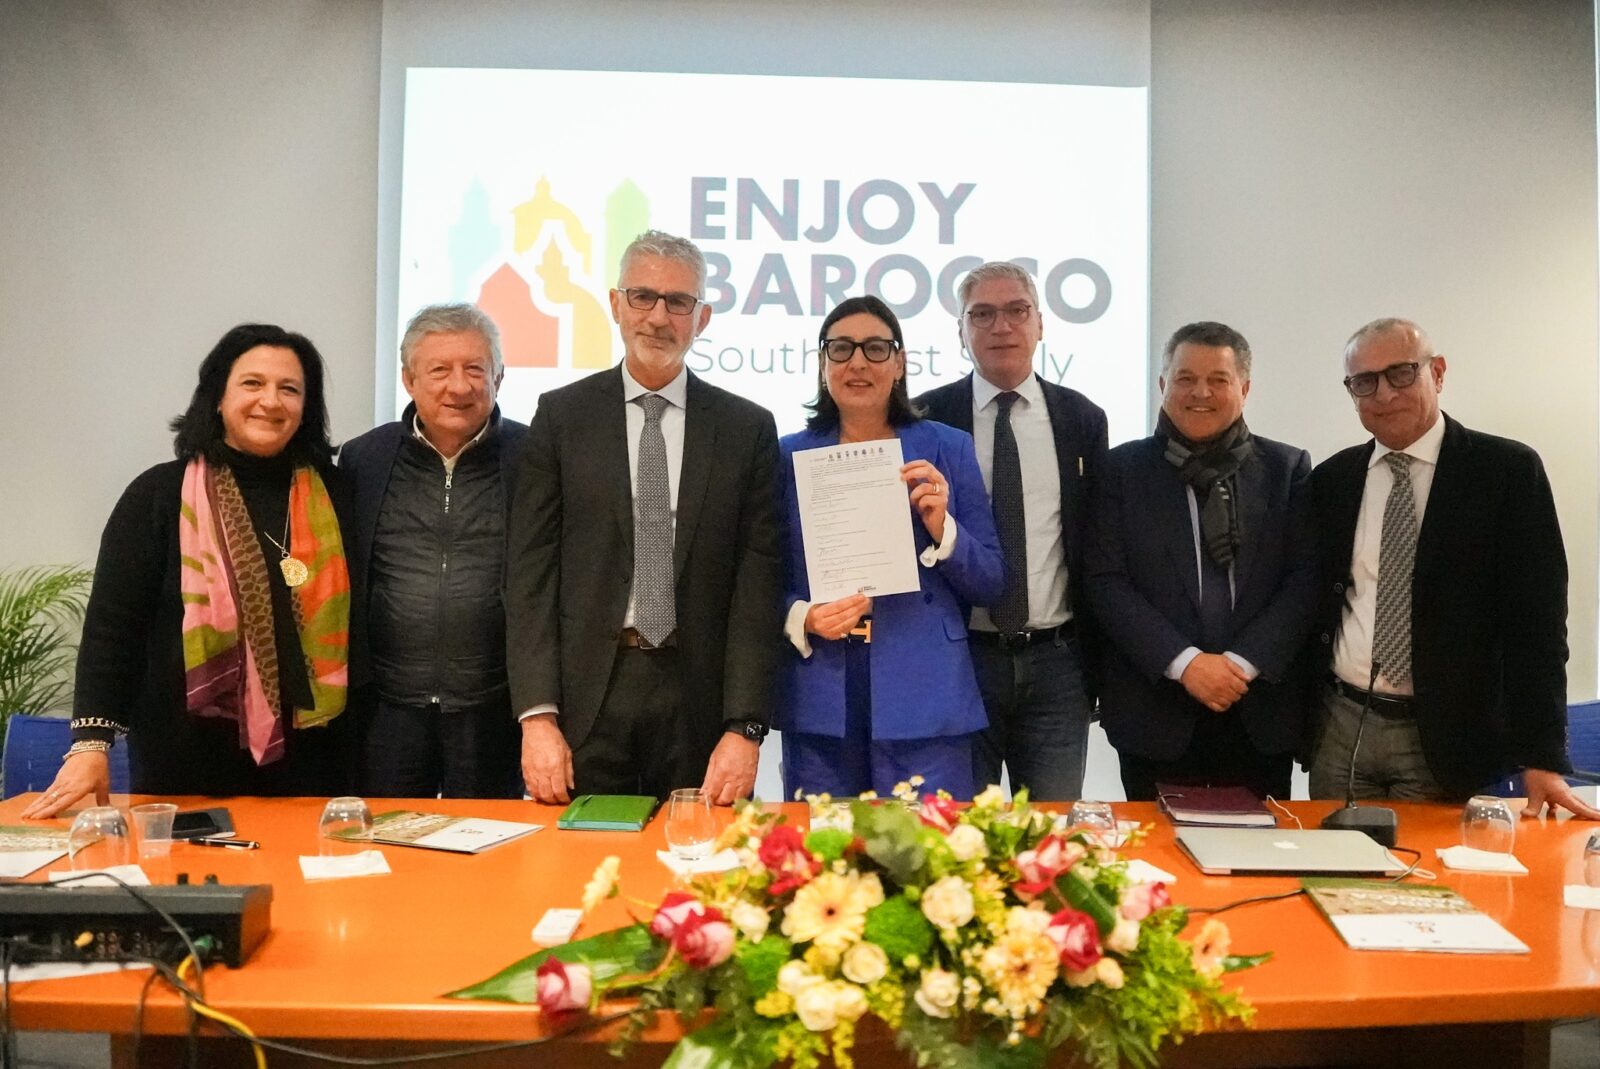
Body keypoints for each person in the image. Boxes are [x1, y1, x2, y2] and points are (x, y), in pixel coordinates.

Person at [23, 325, 355, 819]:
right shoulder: (157, 496)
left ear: (306, 407)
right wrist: (90, 744)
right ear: (217, 397)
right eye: (252, 383)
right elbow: (113, 629)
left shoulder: (339, 494)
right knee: (188, 872)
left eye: (289, 389)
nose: (271, 401)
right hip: (185, 762)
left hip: (317, 762)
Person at [506, 230, 782, 805]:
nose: (658, 316)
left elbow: (756, 589)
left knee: (699, 857)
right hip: (586, 700)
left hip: (700, 702)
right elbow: (530, 576)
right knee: (580, 857)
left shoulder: (746, 429)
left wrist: (746, 726)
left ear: (702, 317)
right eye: (643, 297)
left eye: (678, 302)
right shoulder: (561, 417)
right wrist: (537, 716)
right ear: (615, 304)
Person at [1308, 317, 1600, 818]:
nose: (1384, 393)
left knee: (1431, 868)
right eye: (1364, 382)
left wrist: (1542, 755)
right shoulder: (1332, 480)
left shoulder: (1506, 472)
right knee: (1334, 861)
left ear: (1437, 372)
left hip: (1446, 737)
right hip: (1341, 729)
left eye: (1401, 373)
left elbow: (1537, 626)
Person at [777, 295, 1003, 799]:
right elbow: (758, 578)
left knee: (928, 848)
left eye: (876, 348)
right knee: (825, 846)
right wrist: (802, 616)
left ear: (900, 363)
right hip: (822, 694)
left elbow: (991, 580)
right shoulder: (787, 455)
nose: (858, 362)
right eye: (841, 349)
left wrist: (943, 529)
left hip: (925, 695)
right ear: (822, 364)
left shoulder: (948, 448)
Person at [1086, 322, 1315, 802]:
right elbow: (1106, 582)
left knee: (1259, 847)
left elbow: (1304, 580)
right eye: (1185, 378)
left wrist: (1241, 665)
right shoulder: (1119, 471)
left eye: (1218, 380)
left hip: (1257, 709)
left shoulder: (1286, 469)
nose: (1201, 392)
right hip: (1155, 711)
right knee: (1155, 848)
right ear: (1163, 384)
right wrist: (1187, 664)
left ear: (1245, 389)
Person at [916, 262, 1108, 800]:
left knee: (1051, 834)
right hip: (959, 660)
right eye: (982, 314)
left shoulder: (1082, 418)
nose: (1001, 326)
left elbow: (1094, 545)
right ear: (961, 332)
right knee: (955, 830)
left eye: (1017, 311)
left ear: (1040, 324)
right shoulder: (926, 416)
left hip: (1057, 666)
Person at [339, 304, 526, 798]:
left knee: (490, 841)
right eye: (440, 370)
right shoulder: (364, 458)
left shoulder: (534, 458)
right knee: (388, 839)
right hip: (387, 709)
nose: (458, 387)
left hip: (494, 708)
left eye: (475, 369)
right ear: (408, 379)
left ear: (499, 377)